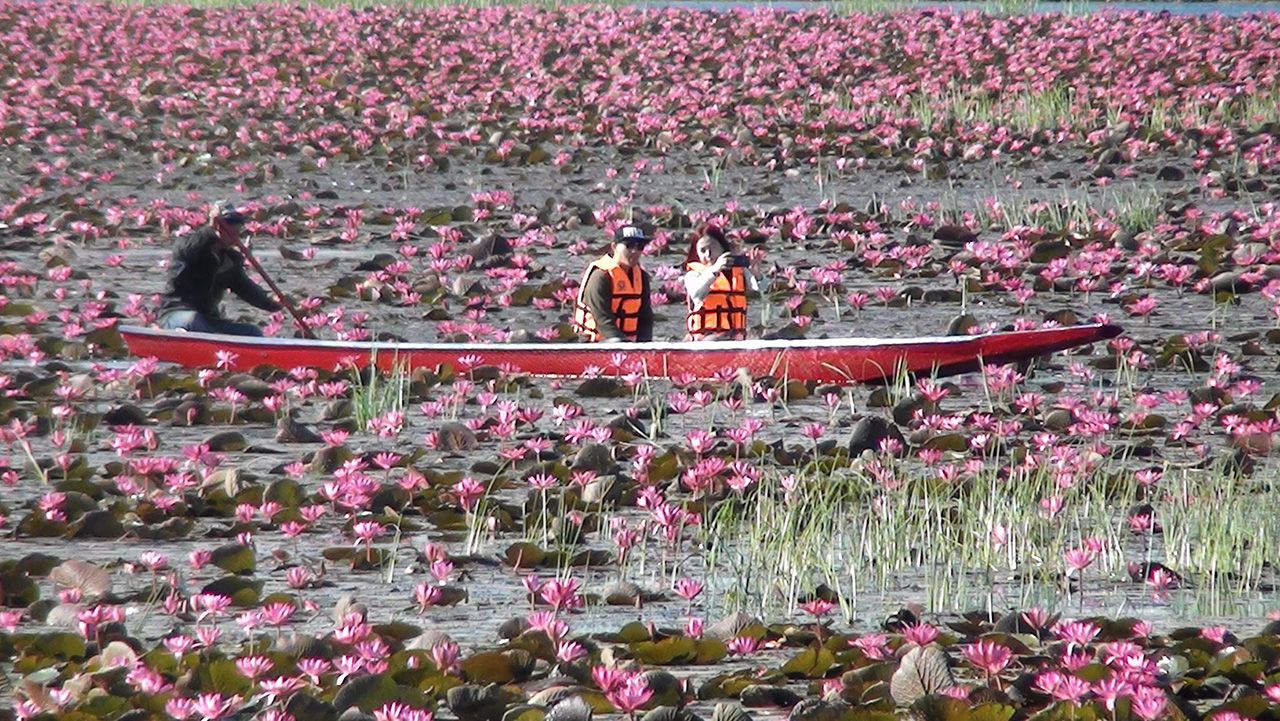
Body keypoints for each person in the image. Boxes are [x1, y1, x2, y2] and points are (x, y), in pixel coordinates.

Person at [157, 202, 281, 336]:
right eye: (230, 226)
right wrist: (210, 229)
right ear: (217, 226)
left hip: (209, 319)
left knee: (252, 332)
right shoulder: (189, 245)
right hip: (176, 313)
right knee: (194, 321)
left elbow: (245, 288)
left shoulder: (230, 260)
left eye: (237, 228)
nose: (235, 235)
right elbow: (187, 251)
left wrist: (272, 302)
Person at [572, 225, 655, 343]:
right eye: (629, 245)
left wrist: (643, 345)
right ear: (614, 246)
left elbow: (645, 317)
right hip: (594, 344)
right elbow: (602, 319)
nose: (634, 251)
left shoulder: (642, 276)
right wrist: (624, 345)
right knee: (615, 341)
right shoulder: (600, 277)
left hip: (628, 344)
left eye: (640, 247)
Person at [683, 225, 759, 341]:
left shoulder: (738, 271)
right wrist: (715, 270)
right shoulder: (693, 275)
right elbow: (697, 294)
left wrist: (756, 273)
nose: (708, 255)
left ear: (723, 249)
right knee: (712, 340)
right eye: (703, 251)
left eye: (712, 248)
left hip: (735, 338)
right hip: (705, 339)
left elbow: (760, 288)